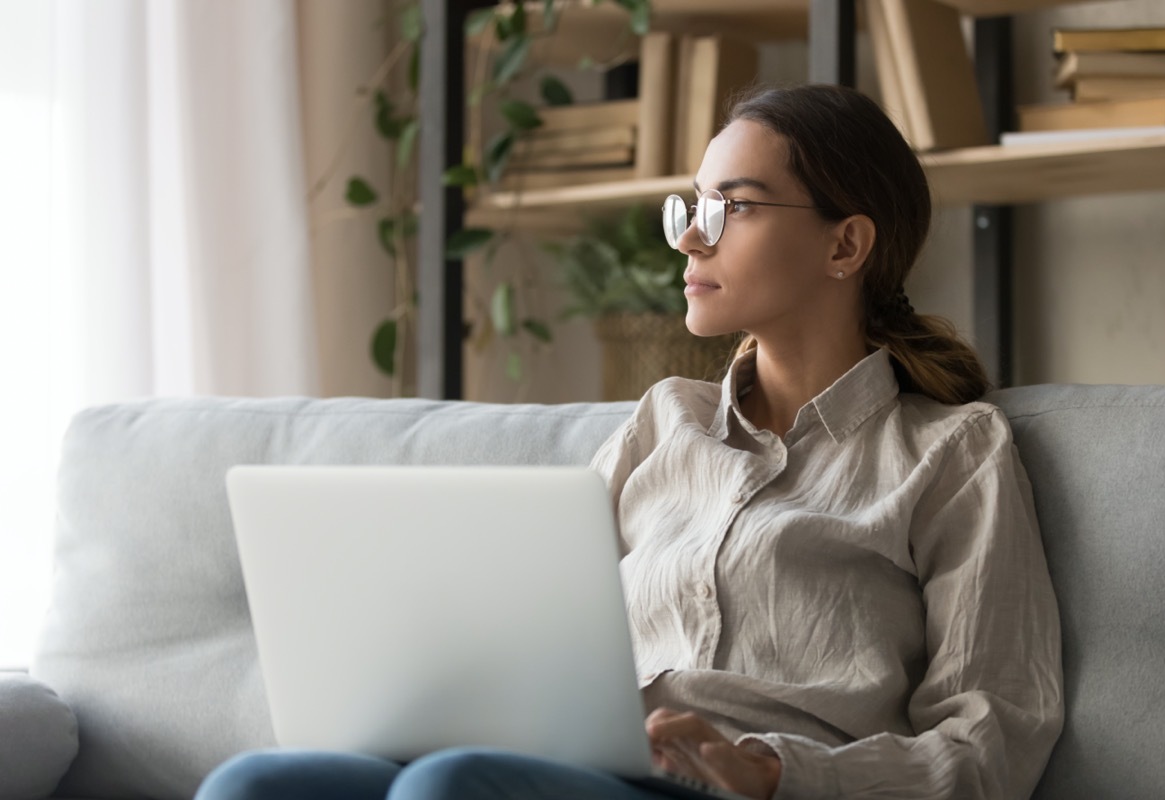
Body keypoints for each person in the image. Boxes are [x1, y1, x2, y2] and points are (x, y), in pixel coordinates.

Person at [196, 84, 1063, 800]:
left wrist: (769, 770)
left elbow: (992, 744)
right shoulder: (663, 422)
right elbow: (530, 634)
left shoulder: (951, 451)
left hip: (747, 792)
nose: (690, 236)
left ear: (846, 243)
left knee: (451, 788)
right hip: (590, 766)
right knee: (256, 785)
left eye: (735, 208)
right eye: (692, 205)